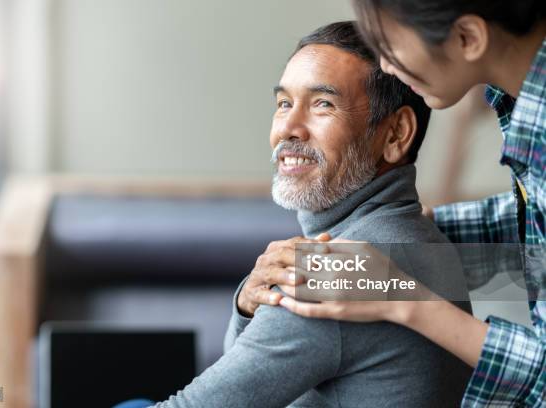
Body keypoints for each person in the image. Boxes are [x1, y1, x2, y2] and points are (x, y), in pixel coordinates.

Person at [115, 21, 472, 408]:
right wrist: (247, 307)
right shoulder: (415, 240)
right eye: (284, 103)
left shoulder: (341, 270)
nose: (287, 128)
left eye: (323, 104)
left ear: (395, 134)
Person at [241, 2, 546, 406]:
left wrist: (404, 298)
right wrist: (418, 237)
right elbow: (537, 233)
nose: (384, 66)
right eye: (284, 103)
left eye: (391, 44)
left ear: (468, 38)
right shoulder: (521, 105)